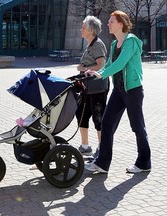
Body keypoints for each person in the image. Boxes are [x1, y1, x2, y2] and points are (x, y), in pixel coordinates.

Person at [85, 10, 151, 174]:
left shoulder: (131, 42)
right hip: (119, 90)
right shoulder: (114, 44)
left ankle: (144, 162)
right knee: (107, 123)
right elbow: (109, 64)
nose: (108, 24)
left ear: (121, 24)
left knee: (137, 126)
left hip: (133, 90)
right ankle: (102, 163)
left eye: (111, 21)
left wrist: (102, 74)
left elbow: (121, 64)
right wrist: (95, 73)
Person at [76, 15, 109, 157]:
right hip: (87, 88)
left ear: (91, 30)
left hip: (97, 87)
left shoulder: (98, 44)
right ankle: (85, 146)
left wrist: (83, 69)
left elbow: (101, 65)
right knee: (81, 113)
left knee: (98, 117)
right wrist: (82, 67)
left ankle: (102, 149)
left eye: (83, 27)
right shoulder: (90, 45)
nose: (81, 30)